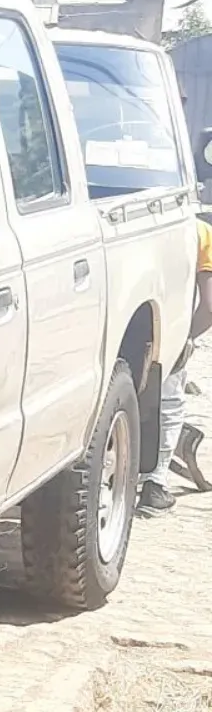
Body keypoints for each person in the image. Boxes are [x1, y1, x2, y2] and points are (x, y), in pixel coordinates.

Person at [140, 215, 212, 512]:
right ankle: (155, 485)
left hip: (122, 331)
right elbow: (210, 306)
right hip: (168, 331)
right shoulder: (200, 233)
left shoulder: (131, 222)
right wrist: (187, 338)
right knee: (169, 403)